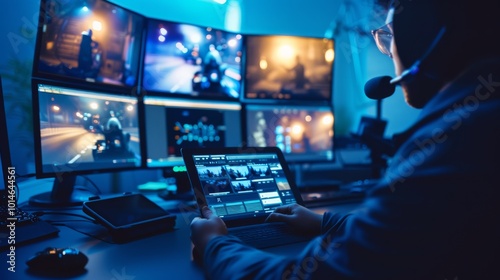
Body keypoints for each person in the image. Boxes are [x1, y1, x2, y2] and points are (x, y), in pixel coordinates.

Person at [190, 0, 500, 278]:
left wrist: (214, 243)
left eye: (389, 35)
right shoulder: (478, 117)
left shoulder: (457, 138)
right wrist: (325, 222)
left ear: (425, 31)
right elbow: (419, 229)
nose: (390, 51)